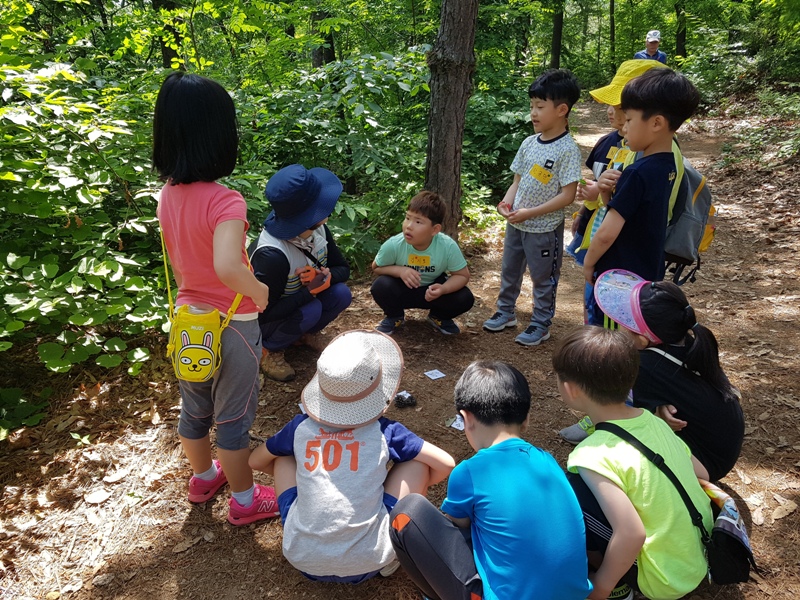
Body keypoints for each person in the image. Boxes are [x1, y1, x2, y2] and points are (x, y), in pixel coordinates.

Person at [154, 72, 278, 525]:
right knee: (233, 418)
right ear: (218, 135)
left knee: (194, 407)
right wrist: (261, 291)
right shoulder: (227, 201)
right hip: (233, 324)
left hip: (188, 319)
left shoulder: (166, 194)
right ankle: (245, 502)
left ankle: (204, 476)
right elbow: (228, 267)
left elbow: (182, 259)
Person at [248, 330, 455, 583]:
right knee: (417, 465)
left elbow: (255, 461)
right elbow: (446, 463)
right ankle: (395, 554)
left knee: (282, 457)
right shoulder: (385, 431)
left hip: (303, 559)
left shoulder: (298, 427)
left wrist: (305, 475)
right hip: (371, 560)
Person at [388, 361, 592, 600]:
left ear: (466, 418)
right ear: (526, 418)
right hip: (575, 594)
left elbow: (456, 529)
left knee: (408, 511)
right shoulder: (548, 461)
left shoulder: (468, 472)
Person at [553, 327, 713, 600]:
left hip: (663, 579)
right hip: (702, 553)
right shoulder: (656, 422)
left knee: (568, 494)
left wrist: (600, 589)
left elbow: (631, 533)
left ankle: (617, 587)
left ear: (570, 389)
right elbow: (702, 473)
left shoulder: (590, 454)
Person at [560, 269, 744, 482]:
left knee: (621, 437)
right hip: (720, 449)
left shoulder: (645, 366)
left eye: (624, 323)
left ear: (642, 340)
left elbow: (622, 415)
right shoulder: (691, 342)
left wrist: (655, 417)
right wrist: (657, 409)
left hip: (704, 463)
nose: (617, 327)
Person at [583, 68, 700, 325]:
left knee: (615, 342)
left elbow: (606, 233)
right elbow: (632, 212)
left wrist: (589, 264)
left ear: (656, 123)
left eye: (630, 120)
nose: (624, 129)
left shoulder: (637, 172)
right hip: (647, 276)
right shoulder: (669, 165)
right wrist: (606, 193)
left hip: (619, 280)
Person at [483, 69, 581, 346]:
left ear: (562, 110)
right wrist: (506, 202)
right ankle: (505, 312)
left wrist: (531, 213)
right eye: (531, 107)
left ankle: (540, 323)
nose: (533, 113)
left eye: (540, 107)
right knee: (510, 270)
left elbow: (568, 196)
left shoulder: (567, 149)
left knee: (543, 277)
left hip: (544, 228)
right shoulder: (528, 143)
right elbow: (517, 180)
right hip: (516, 223)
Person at [250, 164, 351, 382]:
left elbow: (343, 269)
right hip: (266, 321)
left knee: (341, 293)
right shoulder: (272, 255)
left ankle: (302, 335)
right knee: (312, 308)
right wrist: (310, 292)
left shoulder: (319, 229)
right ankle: (269, 349)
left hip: (296, 303)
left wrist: (325, 277)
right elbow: (261, 312)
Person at [371, 191, 474, 335]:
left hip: (433, 292)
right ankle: (395, 316)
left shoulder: (447, 246)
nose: (409, 226)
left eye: (418, 222)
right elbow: (376, 267)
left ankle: (439, 317)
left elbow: (462, 276)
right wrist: (401, 271)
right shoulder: (394, 244)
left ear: (435, 229)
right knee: (381, 286)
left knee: (465, 297)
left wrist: (443, 289)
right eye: (407, 218)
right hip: (402, 290)